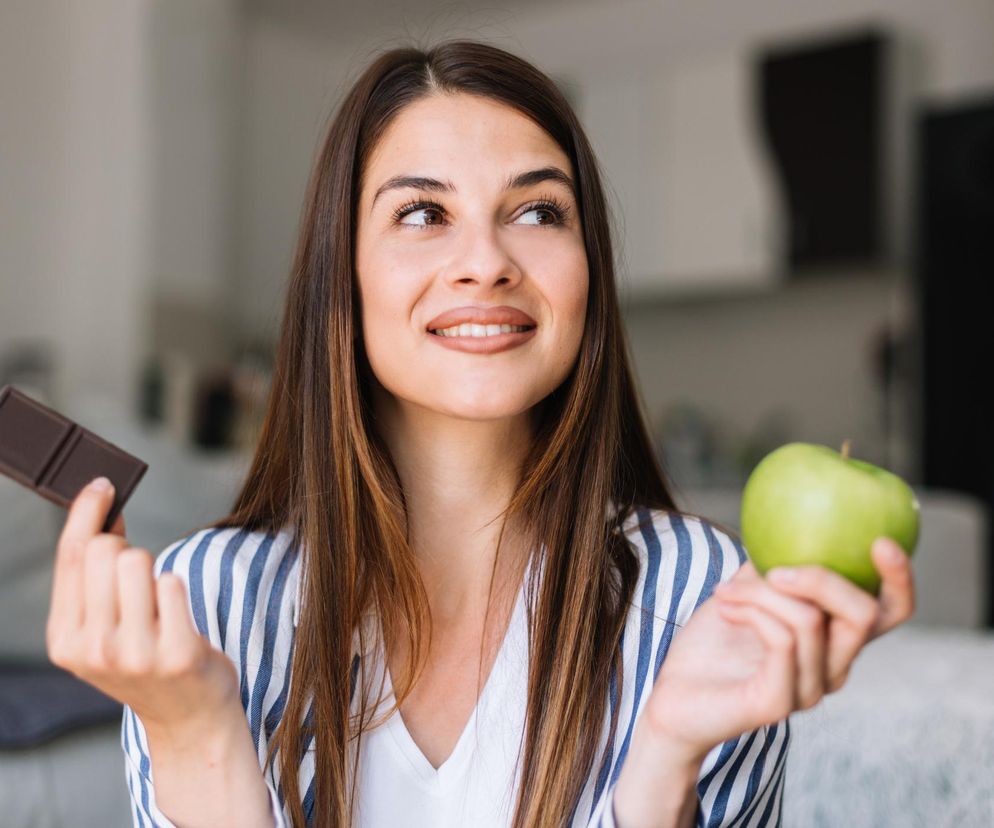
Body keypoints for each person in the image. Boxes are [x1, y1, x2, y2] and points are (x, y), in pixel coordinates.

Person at [45, 40, 916, 828]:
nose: (487, 262)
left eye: (538, 212)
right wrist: (196, 735)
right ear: (341, 274)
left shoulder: (701, 598)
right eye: (423, 214)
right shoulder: (208, 604)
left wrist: (666, 763)